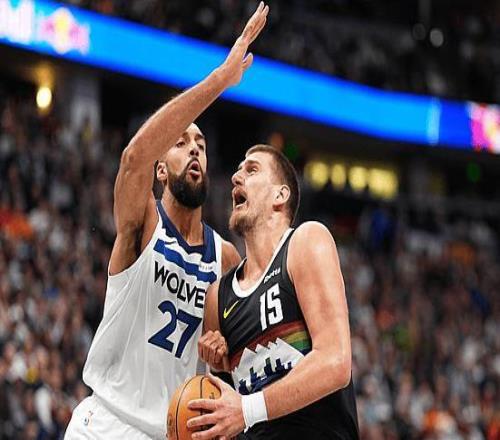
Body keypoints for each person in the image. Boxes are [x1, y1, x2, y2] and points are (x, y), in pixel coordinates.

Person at [64, 3, 270, 439]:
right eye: (180, 143)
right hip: (105, 423)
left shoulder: (226, 258)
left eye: (201, 144)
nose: (194, 148)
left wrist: (221, 354)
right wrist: (220, 80)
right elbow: (133, 157)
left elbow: (234, 359)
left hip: (170, 431)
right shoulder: (143, 222)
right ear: (160, 169)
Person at [190, 145, 359, 439]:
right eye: (238, 171)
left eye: (252, 170)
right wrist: (216, 368)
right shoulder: (218, 296)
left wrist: (246, 409)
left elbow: (335, 362)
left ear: (280, 195)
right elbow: (227, 415)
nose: (236, 178)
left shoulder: (305, 242)